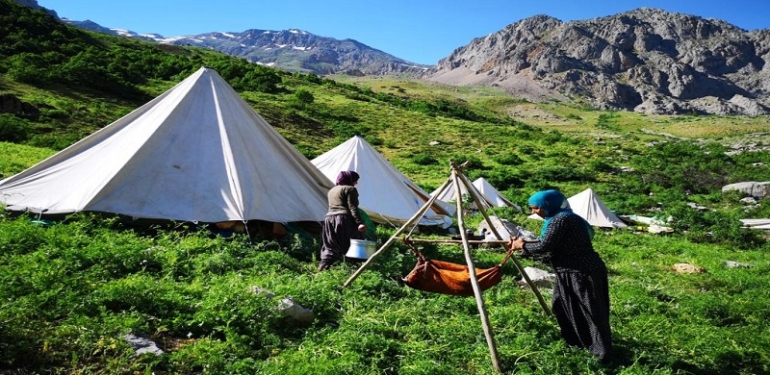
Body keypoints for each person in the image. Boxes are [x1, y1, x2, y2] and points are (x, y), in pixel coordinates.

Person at [508, 189, 613, 363]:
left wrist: (522, 246)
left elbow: (545, 246)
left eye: (536, 208)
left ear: (547, 205)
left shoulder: (561, 219)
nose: (534, 211)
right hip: (570, 272)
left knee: (591, 311)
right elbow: (552, 244)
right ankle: (577, 343)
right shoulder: (560, 218)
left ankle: (602, 355)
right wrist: (524, 246)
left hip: (582, 272)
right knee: (562, 306)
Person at [318, 171, 367, 271]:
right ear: (350, 180)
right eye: (355, 180)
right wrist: (359, 223)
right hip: (343, 219)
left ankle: (322, 268)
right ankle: (356, 270)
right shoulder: (350, 189)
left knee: (331, 245)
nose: (356, 183)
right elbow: (352, 207)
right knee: (354, 243)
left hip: (329, 219)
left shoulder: (331, 191)